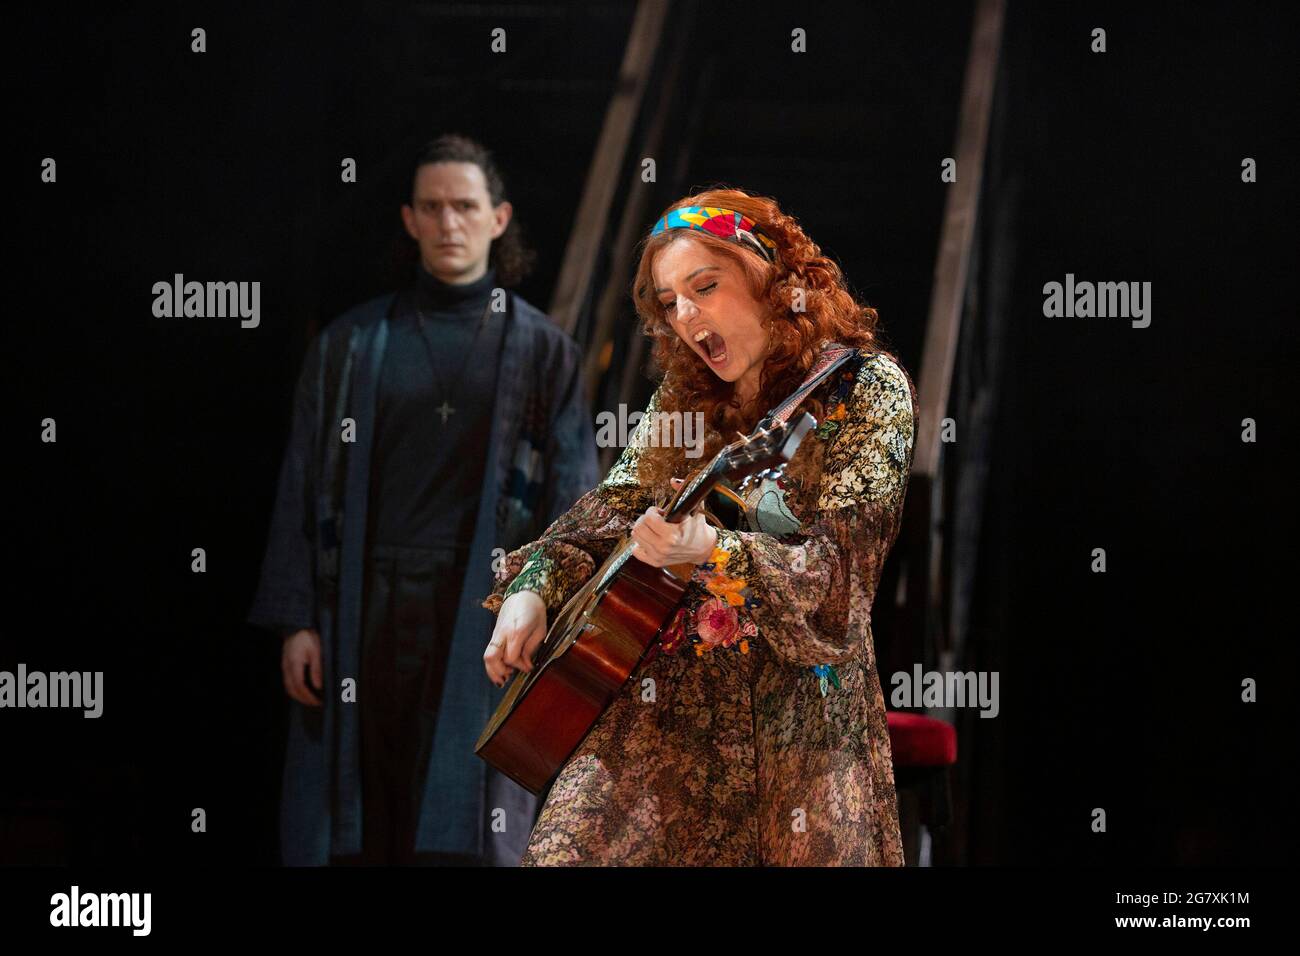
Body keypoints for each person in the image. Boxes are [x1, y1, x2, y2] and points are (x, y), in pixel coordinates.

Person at [482, 189, 916, 865]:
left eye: (704, 287)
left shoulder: (866, 390)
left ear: (769, 274)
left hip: (794, 732)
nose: (686, 317)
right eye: (669, 302)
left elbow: (840, 584)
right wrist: (531, 588)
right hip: (659, 718)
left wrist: (713, 550)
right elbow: (615, 507)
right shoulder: (685, 398)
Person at [248, 134, 598, 866]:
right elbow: (301, 482)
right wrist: (296, 623)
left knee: (466, 815)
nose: (449, 224)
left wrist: (545, 603)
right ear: (409, 219)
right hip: (362, 604)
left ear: (498, 219)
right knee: (362, 809)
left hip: (480, 605)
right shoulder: (351, 344)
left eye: (465, 207)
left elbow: (575, 504)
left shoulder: (542, 351)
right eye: (433, 208)